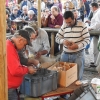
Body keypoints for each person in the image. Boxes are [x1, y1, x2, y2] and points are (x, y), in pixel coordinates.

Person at [55, 11, 90, 80]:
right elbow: (57, 38)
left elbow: (87, 40)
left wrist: (77, 46)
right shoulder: (64, 25)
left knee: (77, 78)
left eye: (70, 22)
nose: (68, 24)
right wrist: (63, 41)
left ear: (74, 18)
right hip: (65, 54)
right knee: (63, 77)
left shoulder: (82, 25)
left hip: (78, 54)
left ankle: (77, 90)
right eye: (66, 22)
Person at [7, 29, 37, 100]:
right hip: (9, 89)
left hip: (11, 88)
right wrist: (27, 69)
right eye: (25, 45)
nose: (24, 47)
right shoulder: (9, 47)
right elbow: (15, 70)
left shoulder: (11, 46)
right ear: (20, 40)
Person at [88, 3, 100, 67]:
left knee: (96, 49)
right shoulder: (97, 12)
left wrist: (91, 28)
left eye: (91, 7)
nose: (90, 9)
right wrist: (90, 22)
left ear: (94, 7)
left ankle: (97, 63)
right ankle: (96, 62)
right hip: (96, 32)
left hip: (97, 33)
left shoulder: (98, 12)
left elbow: (98, 23)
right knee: (96, 48)